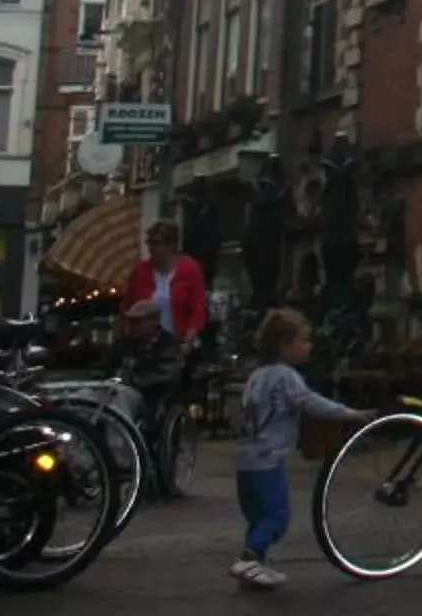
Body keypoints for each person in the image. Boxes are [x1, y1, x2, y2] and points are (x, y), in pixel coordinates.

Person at [232, 306, 370, 589]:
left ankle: (256, 563)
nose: (308, 347)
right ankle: (250, 558)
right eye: (304, 340)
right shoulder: (285, 376)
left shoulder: (257, 375)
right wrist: (350, 413)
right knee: (277, 516)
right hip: (269, 458)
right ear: (285, 345)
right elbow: (309, 402)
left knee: (257, 516)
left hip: (245, 458)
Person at [122, 219, 209, 349]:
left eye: (157, 243)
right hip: (145, 345)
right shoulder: (140, 271)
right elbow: (127, 306)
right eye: (149, 242)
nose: (151, 248)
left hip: (178, 343)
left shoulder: (190, 268)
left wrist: (188, 340)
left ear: (171, 246)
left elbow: (198, 308)